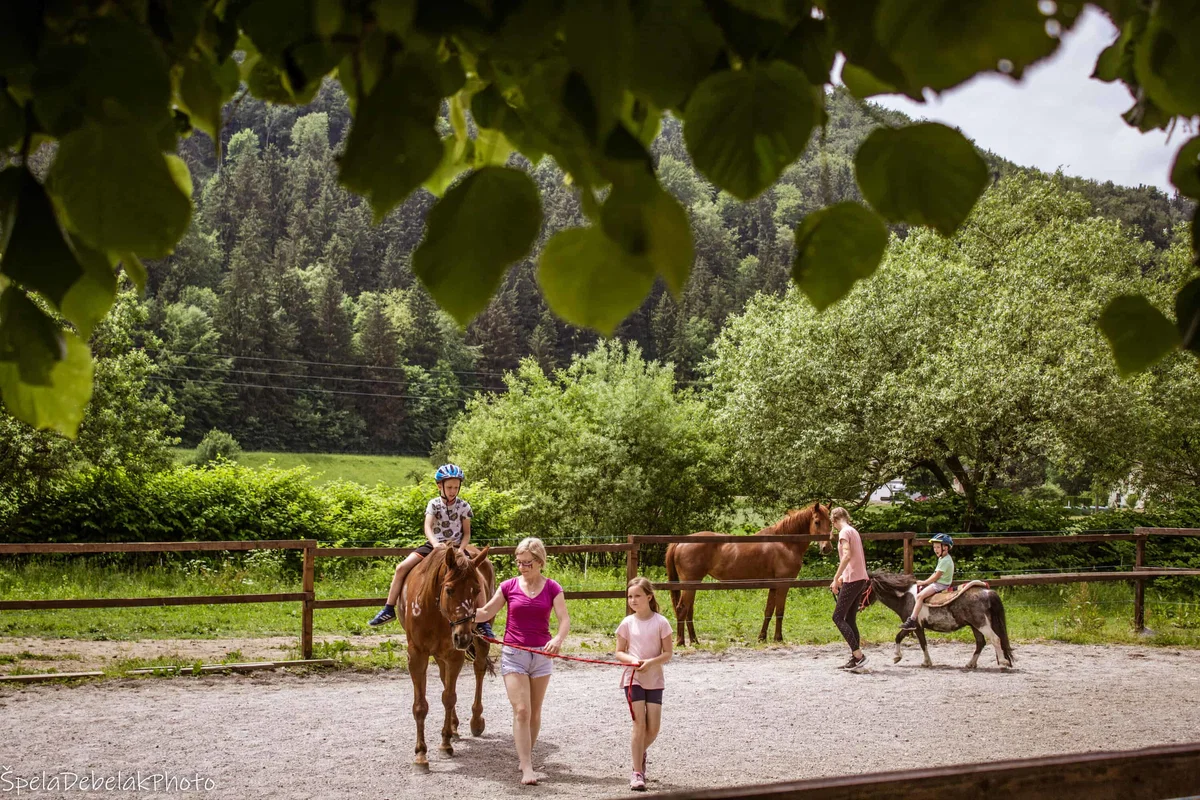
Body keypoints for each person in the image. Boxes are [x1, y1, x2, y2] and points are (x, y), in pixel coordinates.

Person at [475, 537, 570, 786]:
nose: (522, 567)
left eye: (527, 563)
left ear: (540, 562)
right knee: (522, 710)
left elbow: (564, 620)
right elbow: (486, 612)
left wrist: (558, 639)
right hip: (514, 654)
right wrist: (461, 614)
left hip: (541, 655)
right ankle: (527, 766)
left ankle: (526, 754)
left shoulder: (552, 588)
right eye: (519, 562)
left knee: (535, 711)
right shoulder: (508, 586)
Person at [368, 464, 494, 642]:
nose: (453, 491)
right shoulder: (433, 504)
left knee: (476, 578)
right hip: (434, 545)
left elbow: (467, 533)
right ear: (439, 486)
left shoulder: (464, 506)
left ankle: (483, 622)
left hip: (457, 547)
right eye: (449, 487)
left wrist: (460, 549)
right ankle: (389, 608)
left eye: (456, 487)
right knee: (401, 567)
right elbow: (428, 526)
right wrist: (436, 544)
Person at [614, 577, 673, 792]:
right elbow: (619, 651)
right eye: (630, 596)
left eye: (637, 595)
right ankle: (637, 772)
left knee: (653, 728)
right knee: (639, 724)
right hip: (633, 678)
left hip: (655, 679)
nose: (633, 600)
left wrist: (651, 663)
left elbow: (668, 653)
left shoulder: (661, 622)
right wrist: (631, 660)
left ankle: (639, 753)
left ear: (649, 596)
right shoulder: (626, 623)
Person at [829, 506, 870, 671]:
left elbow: (847, 556)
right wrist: (841, 577)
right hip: (859, 578)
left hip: (853, 580)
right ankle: (856, 659)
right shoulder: (854, 531)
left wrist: (835, 577)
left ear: (834, 521)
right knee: (850, 619)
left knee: (837, 617)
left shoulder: (844, 533)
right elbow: (855, 559)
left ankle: (859, 655)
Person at [900, 533, 955, 631]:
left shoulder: (945, 561)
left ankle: (912, 620)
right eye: (934, 547)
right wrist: (926, 582)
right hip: (939, 583)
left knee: (919, 596)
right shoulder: (943, 558)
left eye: (938, 547)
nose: (935, 550)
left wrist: (924, 582)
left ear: (945, 548)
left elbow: (936, 576)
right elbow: (934, 574)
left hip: (940, 585)